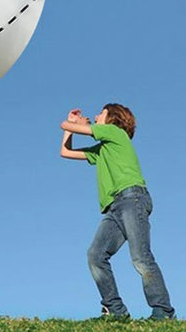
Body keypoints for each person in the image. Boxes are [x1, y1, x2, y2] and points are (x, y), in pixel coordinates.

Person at [60, 103, 174, 320]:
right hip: (114, 207)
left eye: (100, 113)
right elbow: (65, 152)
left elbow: (66, 124)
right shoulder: (103, 149)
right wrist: (70, 128)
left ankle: (163, 311)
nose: (95, 116)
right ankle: (115, 310)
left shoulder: (115, 132)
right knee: (96, 256)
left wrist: (72, 123)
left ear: (112, 118)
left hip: (132, 199)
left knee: (141, 257)